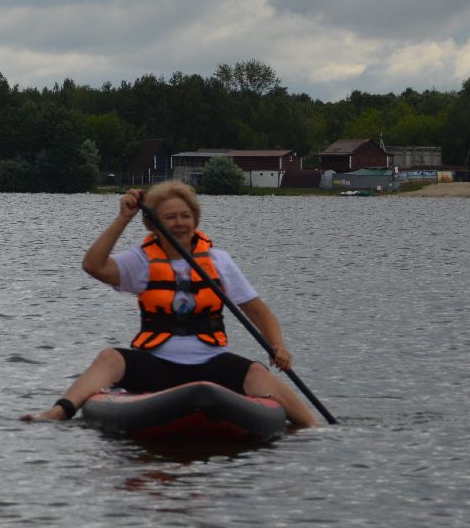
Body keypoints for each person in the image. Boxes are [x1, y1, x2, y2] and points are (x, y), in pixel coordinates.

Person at [21, 181, 318, 427]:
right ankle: (59, 411)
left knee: (256, 373)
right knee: (110, 357)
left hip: (211, 363)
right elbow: (93, 265)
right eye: (170, 217)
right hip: (157, 365)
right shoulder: (142, 261)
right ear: (154, 225)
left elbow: (257, 310)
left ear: (195, 220)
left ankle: (313, 427)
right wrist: (124, 218)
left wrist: (279, 346)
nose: (179, 223)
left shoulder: (218, 261)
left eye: (185, 215)